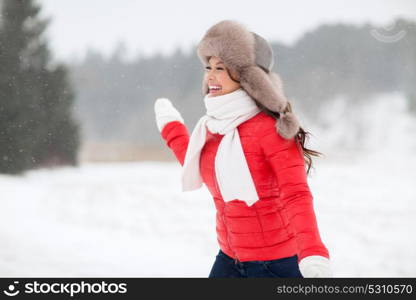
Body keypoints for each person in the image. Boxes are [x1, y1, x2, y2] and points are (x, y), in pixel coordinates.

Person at [153, 20, 332, 278]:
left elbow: (296, 194)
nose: (210, 76)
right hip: (229, 259)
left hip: (275, 265)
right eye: (208, 67)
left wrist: (313, 251)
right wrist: (172, 129)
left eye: (221, 68)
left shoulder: (271, 130)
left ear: (247, 76)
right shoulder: (213, 126)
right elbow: (201, 165)